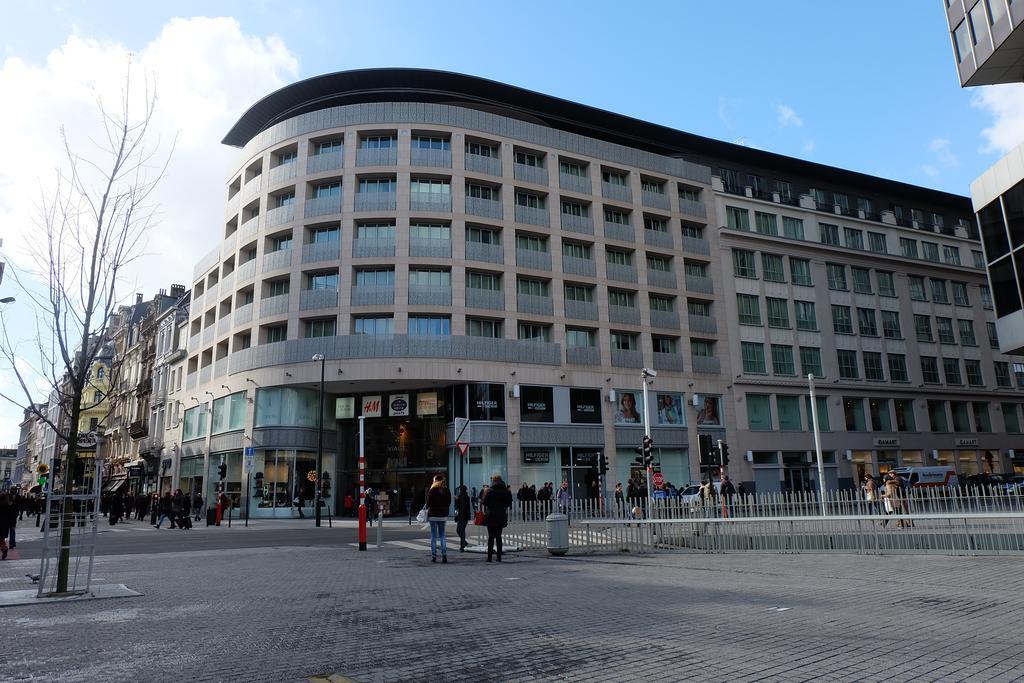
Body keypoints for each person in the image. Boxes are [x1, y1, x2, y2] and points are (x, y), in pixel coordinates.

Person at [481, 474, 512, 562]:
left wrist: (485, 493)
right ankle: (499, 557)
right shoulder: (504, 491)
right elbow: (508, 503)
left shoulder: (489, 490)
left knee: (491, 537)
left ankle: (489, 557)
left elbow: (484, 502)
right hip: (501, 515)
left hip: (490, 515)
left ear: (493, 481)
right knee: (498, 536)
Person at [426, 475, 452, 564]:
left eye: (433, 480)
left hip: (433, 515)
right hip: (443, 515)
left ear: (436, 480)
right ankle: (444, 555)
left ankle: (434, 556)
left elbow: (428, 503)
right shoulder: (446, 490)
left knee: (433, 536)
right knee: (442, 535)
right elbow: (449, 502)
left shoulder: (432, 490)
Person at [454, 484, 472, 552]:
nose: (458, 491)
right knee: (460, 530)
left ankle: (463, 545)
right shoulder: (463, 497)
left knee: (460, 530)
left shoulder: (463, 497)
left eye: (459, 490)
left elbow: (460, 506)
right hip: (463, 516)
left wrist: (457, 499)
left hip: (463, 516)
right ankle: (464, 542)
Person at [0, 492, 15, 560]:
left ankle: (4, 549)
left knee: (1, 539)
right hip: (5, 525)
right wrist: (12, 525)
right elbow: (12, 516)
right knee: (1, 538)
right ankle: (4, 548)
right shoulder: (9, 505)